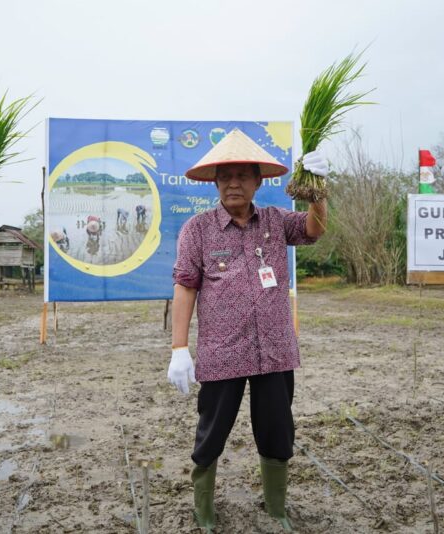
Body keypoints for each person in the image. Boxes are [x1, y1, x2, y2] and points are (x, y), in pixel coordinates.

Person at [167, 129, 327, 532]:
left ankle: (277, 509)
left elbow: (314, 229)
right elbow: (185, 286)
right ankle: (203, 509)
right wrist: (179, 348)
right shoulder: (198, 230)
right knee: (211, 431)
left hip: (275, 351)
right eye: (225, 176)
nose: (233, 183)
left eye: (242, 176)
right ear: (215, 183)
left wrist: (319, 191)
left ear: (259, 181)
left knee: (277, 430)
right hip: (222, 353)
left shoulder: (276, 221)